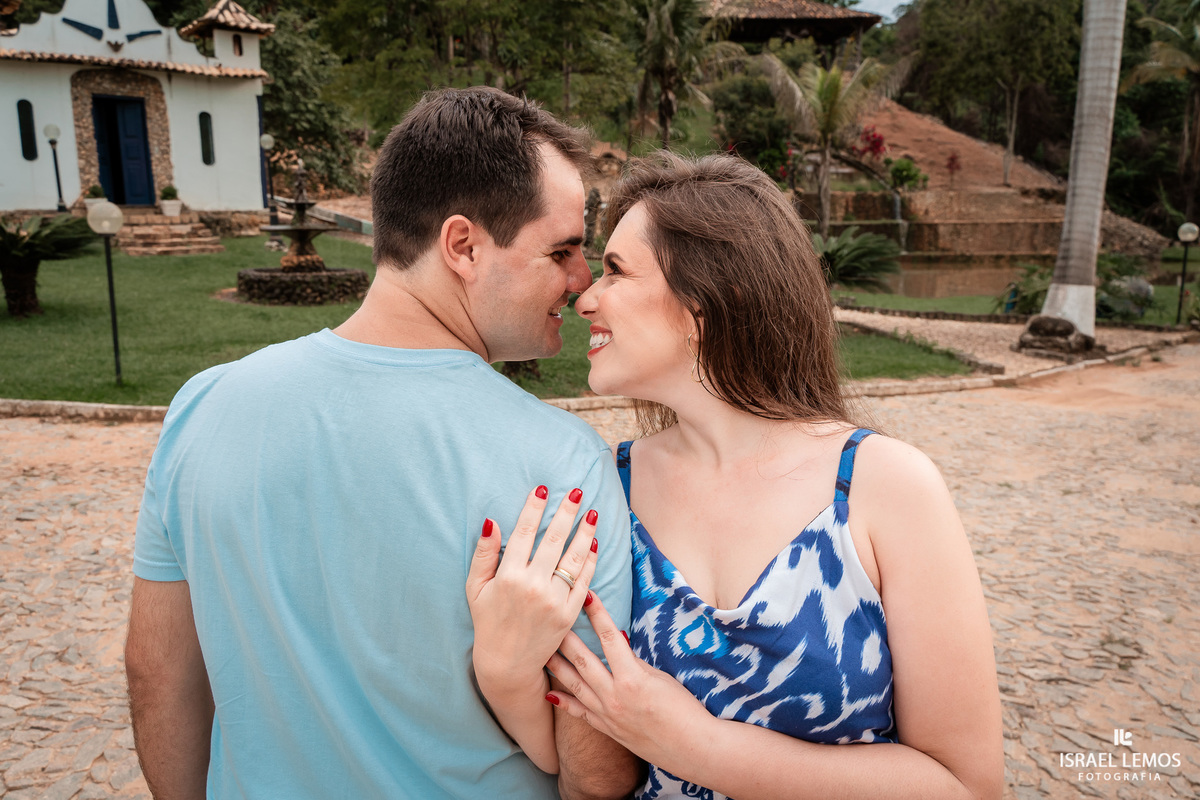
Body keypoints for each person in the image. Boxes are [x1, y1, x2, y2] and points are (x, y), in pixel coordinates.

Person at [125, 87, 638, 800]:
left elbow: (158, 675)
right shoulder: (562, 463)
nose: (581, 283)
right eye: (561, 250)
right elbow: (597, 776)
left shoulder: (202, 408)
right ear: (463, 246)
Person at [468, 152, 1005, 799]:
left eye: (616, 270)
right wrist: (506, 671)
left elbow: (969, 787)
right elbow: (582, 767)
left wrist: (699, 747)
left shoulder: (885, 487)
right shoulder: (609, 487)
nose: (586, 298)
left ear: (705, 305)